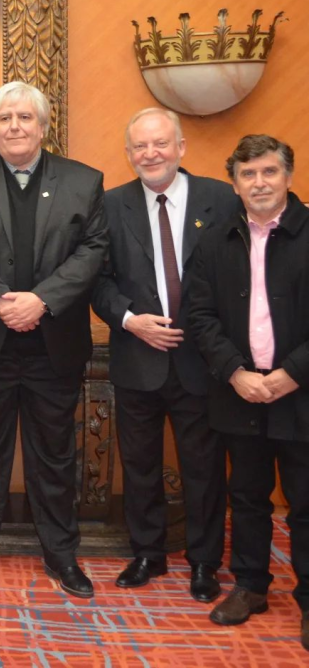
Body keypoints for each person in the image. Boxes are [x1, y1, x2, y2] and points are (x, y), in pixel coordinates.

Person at [0, 81, 108, 598]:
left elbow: (94, 249)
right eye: (5, 118)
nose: (14, 126)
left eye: (24, 117)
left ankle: (62, 554)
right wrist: (1, 301)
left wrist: (42, 300)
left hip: (54, 345)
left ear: (43, 125)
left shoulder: (84, 181)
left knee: (54, 455)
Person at [92, 108, 231, 602]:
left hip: (203, 361)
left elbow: (235, 275)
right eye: (140, 146)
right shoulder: (111, 205)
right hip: (137, 357)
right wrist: (131, 320)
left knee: (204, 469)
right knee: (140, 464)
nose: (151, 154)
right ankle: (147, 553)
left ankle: (204, 562)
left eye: (160, 144)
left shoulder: (221, 198)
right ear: (129, 154)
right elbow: (97, 281)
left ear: (180, 147)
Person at [187, 134, 309, 651]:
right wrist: (236, 372)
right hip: (240, 389)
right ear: (234, 184)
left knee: (305, 502)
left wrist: (292, 373)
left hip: (300, 391)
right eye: (248, 174)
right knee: (247, 496)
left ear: (288, 176)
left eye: (269, 172)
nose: (259, 183)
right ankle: (251, 586)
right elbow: (199, 315)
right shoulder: (216, 239)